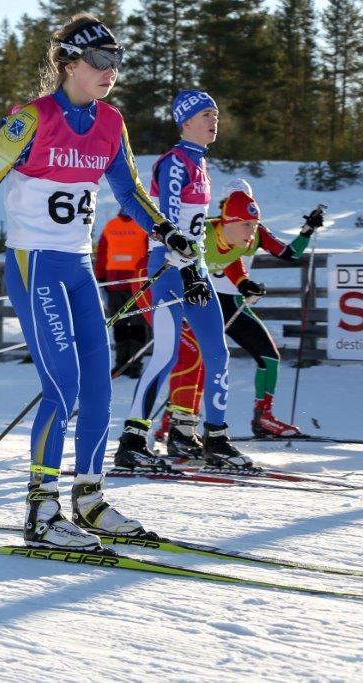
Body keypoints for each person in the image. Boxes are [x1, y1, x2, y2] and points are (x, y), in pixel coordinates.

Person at [0, 14, 193, 550]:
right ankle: (41, 510)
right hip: (35, 264)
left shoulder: (112, 123)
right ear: (68, 62)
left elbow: (130, 191)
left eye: (116, 61)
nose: (110, 71)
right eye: (99, 61)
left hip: (79, 265)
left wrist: (165, 231)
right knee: (61, 385)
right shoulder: (34, 118)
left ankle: (88, 498)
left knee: (97, 385)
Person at [114, 88, 252, 471]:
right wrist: (188, 267)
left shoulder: (201, 163)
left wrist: (202, 265)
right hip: (169, 268)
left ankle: (217, 439)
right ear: (186, 121)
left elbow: (197, 227)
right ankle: (133, 439)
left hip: (197, 268)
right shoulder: (173, 163)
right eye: (207, 114)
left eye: (217, 115)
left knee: (218, 353)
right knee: (167, 354)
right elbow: (170, 224)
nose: (214, 121)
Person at [153, 184, 324, 448]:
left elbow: (285, 254)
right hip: (200, 299)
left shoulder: (253, 233)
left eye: (253, 221)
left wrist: (307, 230)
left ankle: (263, 417)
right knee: (196, 357)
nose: (249, 228)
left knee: (268, 355)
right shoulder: (209, 230)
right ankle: (174, 421)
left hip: (231, 302)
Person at [93, 211, 149, 377]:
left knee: (120, 325)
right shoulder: (144, 225)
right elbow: (149, 253)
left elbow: (102, 253)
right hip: (136, 283)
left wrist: (101, 276)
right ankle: (135, 365)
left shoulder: (111, 225)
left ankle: (120, 364)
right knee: (138, 325)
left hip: (113, 283)